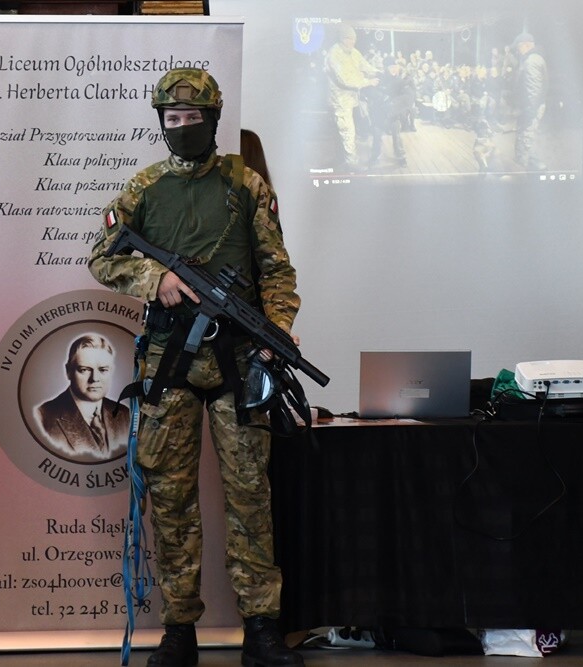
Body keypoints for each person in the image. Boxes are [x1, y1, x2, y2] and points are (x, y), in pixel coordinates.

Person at [87, 68, 303, 667]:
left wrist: (277, 329)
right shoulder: (144, 188)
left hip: (241, 359)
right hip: (169, 362)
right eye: (172, 119)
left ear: (213, 120)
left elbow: (277, 271)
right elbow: (102, 257)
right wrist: (156, 278)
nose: (182, 127)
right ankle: (178, 629)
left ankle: (262, 628)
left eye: (193, 118)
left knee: (250, 495)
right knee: (172, 499)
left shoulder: (245, 185)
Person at [34, 334, 130, 462]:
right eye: (84, 370)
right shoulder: (42, 417)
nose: (95, 378)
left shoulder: (124, 414)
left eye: (103, 370)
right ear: (68, 371)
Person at [325, 23, 379, 170]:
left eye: (353, 38)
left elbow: (364, 65)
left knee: (350, 131)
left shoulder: (354, 52)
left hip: (352, 99)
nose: (352, 41)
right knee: (347, 131)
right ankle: (351, 164)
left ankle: (342, 160)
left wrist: (379, 72)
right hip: (340, 101)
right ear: (341, 38)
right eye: (348, 38)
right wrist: (368, 82)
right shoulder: (334, 54)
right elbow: (345, 79)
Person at [506, 31, 547, 170]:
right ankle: (522, 161)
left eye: (518, 47)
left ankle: (529, 166)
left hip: (531, 107)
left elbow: (533, 89)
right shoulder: (534, 59)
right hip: (530, 106)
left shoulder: (531, 61)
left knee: (527, 135)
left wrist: (529, 110)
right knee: (524, 133)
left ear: (526, 45)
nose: (518, 51)